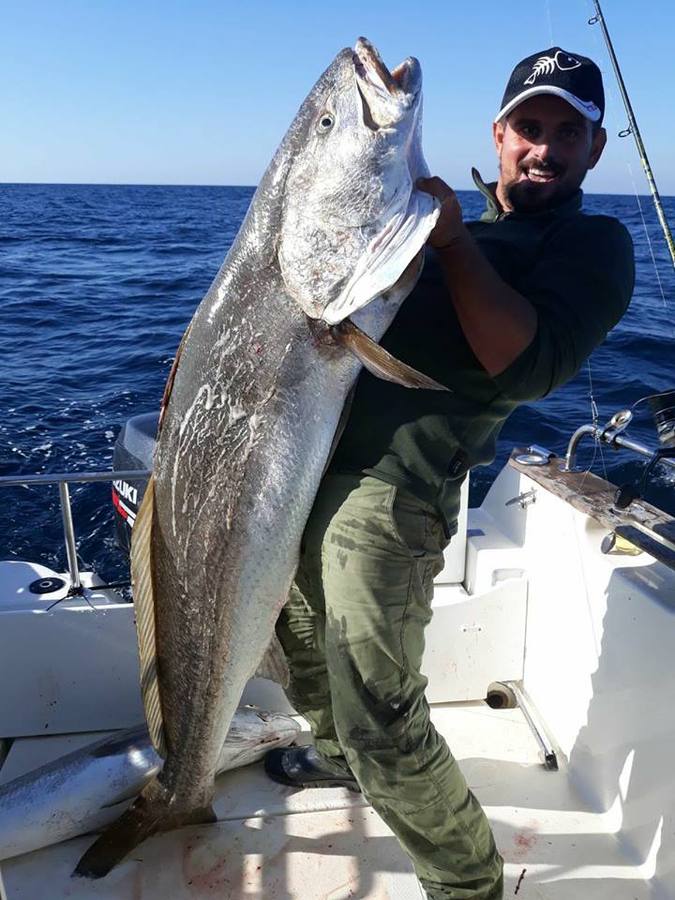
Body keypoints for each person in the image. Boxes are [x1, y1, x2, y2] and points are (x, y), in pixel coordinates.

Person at [265, 47, 635, 900]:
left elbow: (523, 365)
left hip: (393, 491)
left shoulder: (590, 243)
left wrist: (456, 243)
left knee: (378, 713)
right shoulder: (436, 222)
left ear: (594, 150)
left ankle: (468, 883)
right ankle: (337, 761)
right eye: (529, 129)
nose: (542, 149)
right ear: (498, 134)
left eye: (565, 134)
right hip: (308, 462)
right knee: (292, 640)